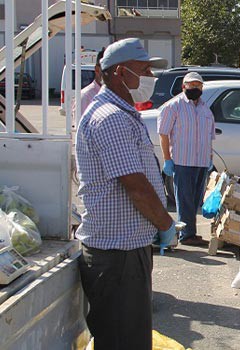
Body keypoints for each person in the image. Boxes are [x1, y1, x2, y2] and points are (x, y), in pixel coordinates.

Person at [75, 38, 173, 349]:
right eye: (144, 70)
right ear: (120, 73)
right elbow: (136, 186)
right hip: (118, 256)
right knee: (123, 340)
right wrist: (165, 224)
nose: (151, 78)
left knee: (128, 337)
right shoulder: (112, 118)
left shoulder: (121, 113)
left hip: (127, 248)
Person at [158, 72, 215, 246]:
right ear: (184, 87)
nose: (195, 89)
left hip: (201, 161)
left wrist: (210, 159)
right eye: (191, 86)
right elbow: (163, 134)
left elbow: (209, 136)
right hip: (182, 161)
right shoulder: (174, 106)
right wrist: (167, 159)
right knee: (184, 200)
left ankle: (191, 232)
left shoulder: (205, 109)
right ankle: (186, 235)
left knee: (195, 200)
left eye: (198, 86)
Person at [72, 48, 104, 128]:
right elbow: (81, 131)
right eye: (107, 70)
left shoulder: (118, 96)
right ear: (97, 70)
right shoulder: (85, 97)